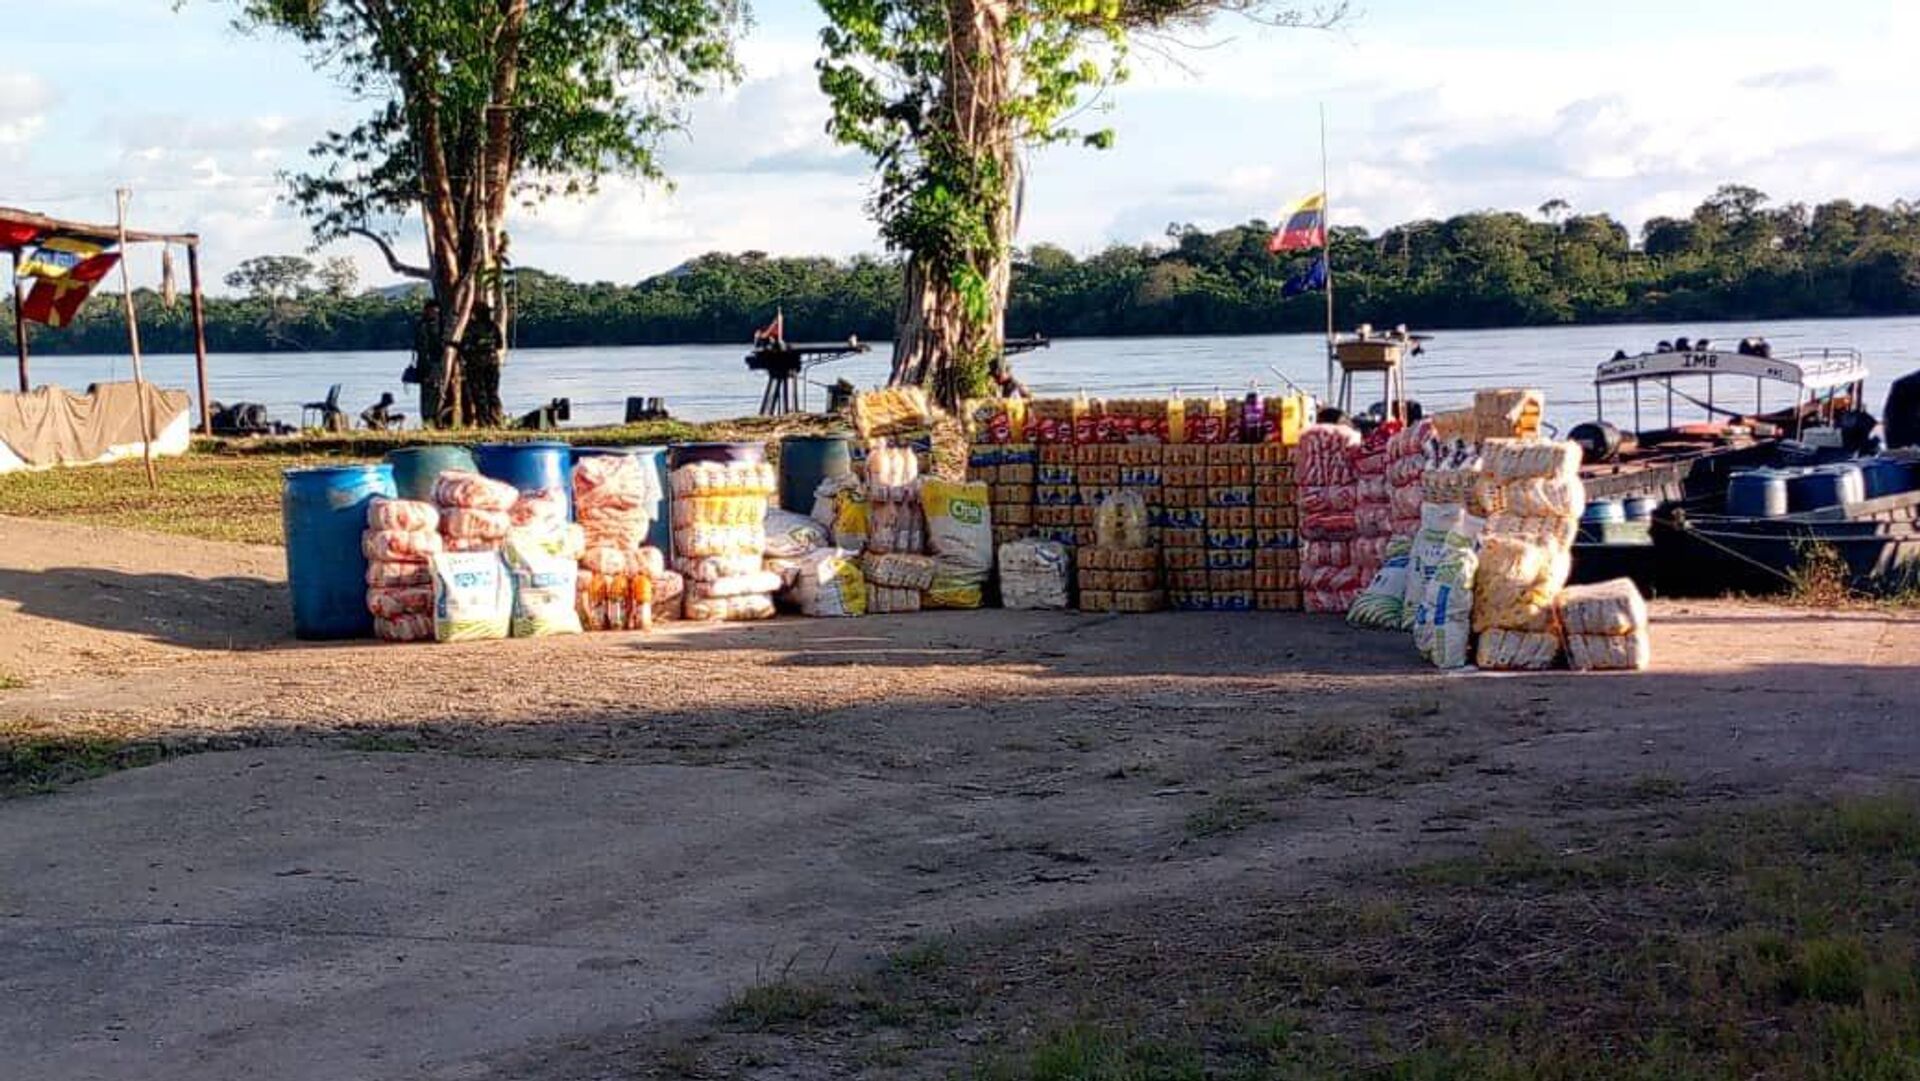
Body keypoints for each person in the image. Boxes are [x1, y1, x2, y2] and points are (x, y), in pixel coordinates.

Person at [460, 302, 504, 428]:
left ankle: (484, 422)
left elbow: (464, 347)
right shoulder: (493, 326)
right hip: (492, 363)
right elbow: (500, 345)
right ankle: (496, 420)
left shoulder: (471, 328)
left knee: (479, 394)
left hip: (475, 365)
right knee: (492, 393)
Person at [412, 299, 446, 428]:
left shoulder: (441, 324)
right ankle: (427, 420)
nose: (431, 313)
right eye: (429, 310)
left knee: (437, 391)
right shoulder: (422, 324)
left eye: (434, 311)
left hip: (437, 362)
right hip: (424, 365)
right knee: (426, 393)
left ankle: (436, 420)